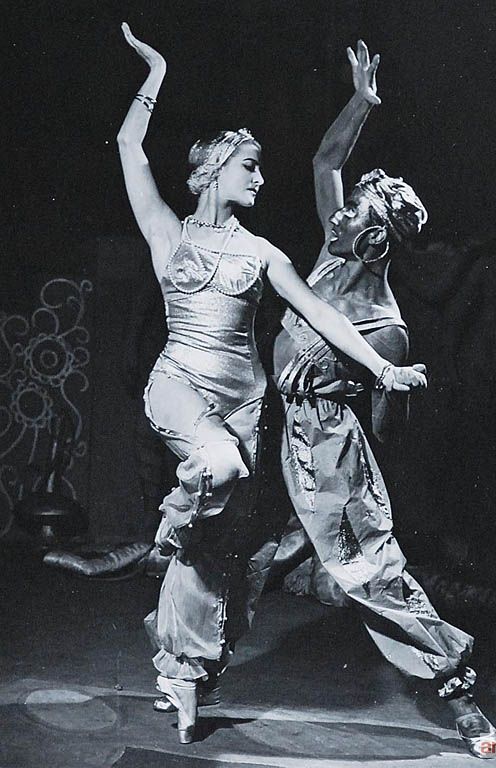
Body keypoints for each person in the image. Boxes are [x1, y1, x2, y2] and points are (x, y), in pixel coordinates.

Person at [116, 25, 427, 744]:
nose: (261, 179)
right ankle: (166, 531)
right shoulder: (166, 232)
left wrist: (384, 369)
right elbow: (131, 145)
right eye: (250, 167)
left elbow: (322, 313)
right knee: (216, 470)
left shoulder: (263, 252)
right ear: (214, 169)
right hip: (180, 388)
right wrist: (156, 71)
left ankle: (183, 672)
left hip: (245, 407)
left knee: (220, 552)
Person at [272, 41, 496, 759]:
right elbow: (325, 163)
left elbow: (380, 435)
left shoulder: (387, 329)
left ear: (374, 240)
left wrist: (342, 507)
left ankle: (460, 694)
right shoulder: (330, 257)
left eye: (351, 217)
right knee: (229, 546)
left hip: (331, 450)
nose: (334, 217)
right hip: (278, 431)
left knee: (372, 572)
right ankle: (189, 669)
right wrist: (361, 102)